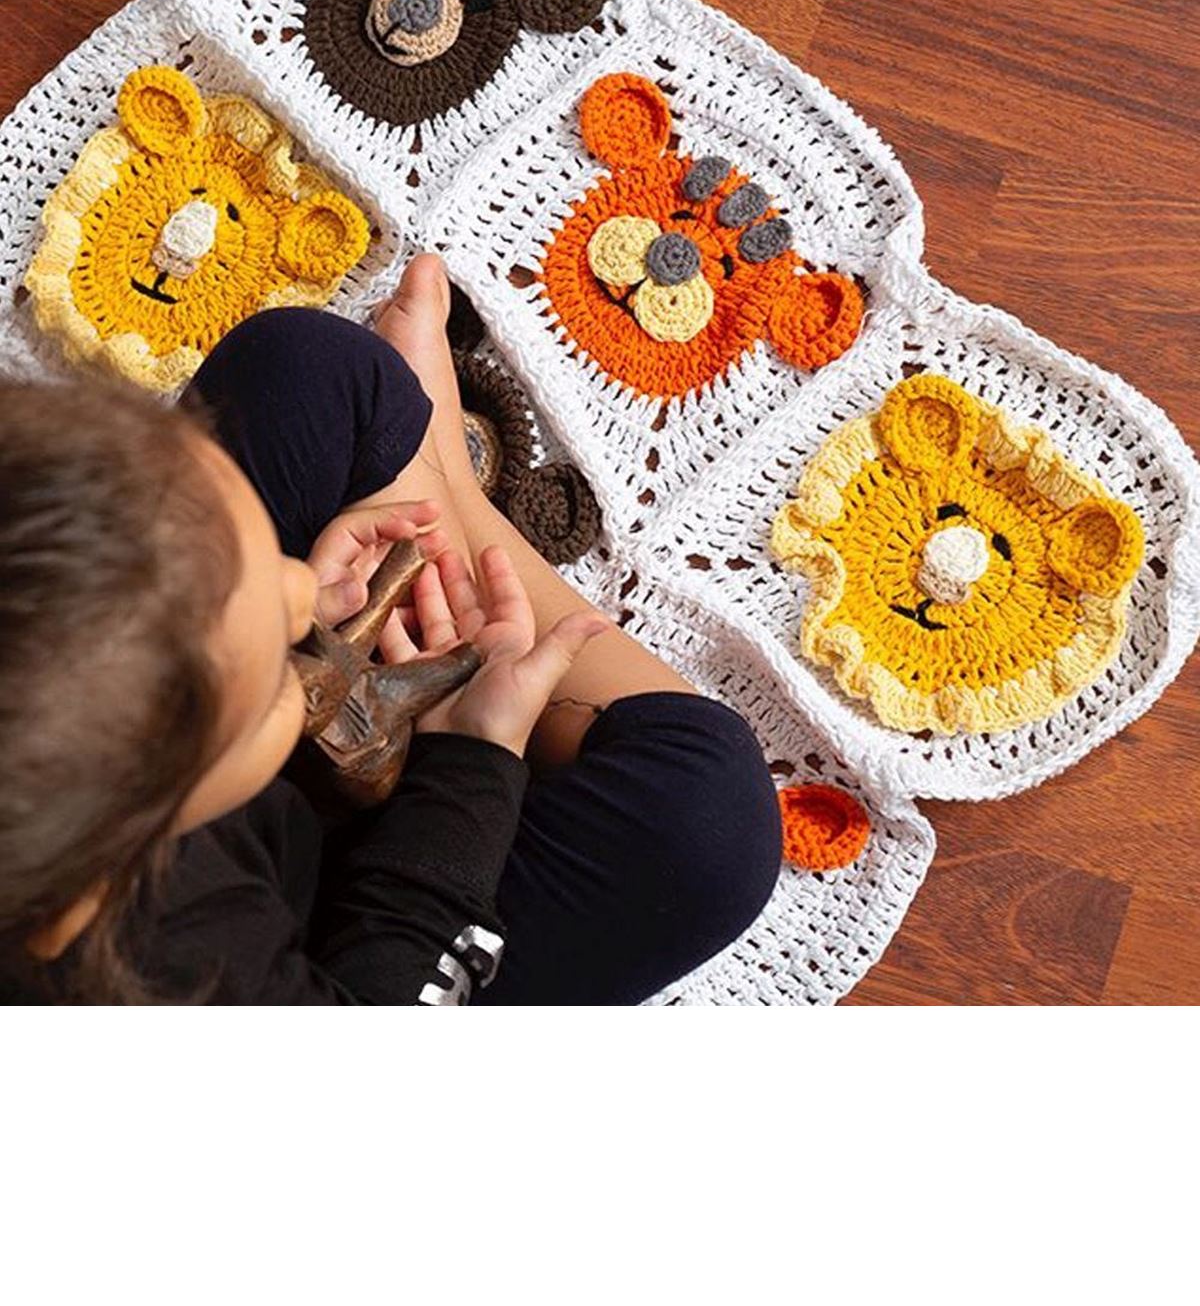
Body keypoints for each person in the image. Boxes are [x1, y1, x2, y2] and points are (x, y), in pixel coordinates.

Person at [0, 255, 782, 1005]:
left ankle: (441, 493)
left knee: (306, 370)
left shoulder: (76, 786)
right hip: (361, 947)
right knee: (707, 825)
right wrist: (472, 761)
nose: (299, 584)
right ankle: (449, 497)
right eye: (272, 674)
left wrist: (288, 636)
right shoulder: (188, 983)